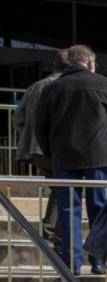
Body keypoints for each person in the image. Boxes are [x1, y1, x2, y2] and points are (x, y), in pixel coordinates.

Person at [34, 44, 107, 276]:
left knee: (67, 210)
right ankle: (99, 261)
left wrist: (52, 155)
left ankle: (72, 263)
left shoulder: (52, 88)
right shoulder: (104, 84)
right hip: (100, 156)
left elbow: (40, 127)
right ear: (90, 63)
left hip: (64, 156)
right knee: (99, 209)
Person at [14, 49, 68, 247]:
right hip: (54, 149)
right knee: (66, 189)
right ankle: (54, 234)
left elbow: (18, 119)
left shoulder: (35, 86)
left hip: (35, 150)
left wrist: (29, 137)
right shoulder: (65, 86)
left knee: (59, 188)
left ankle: (49, 230)